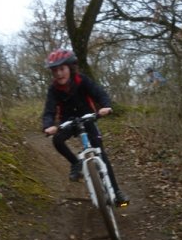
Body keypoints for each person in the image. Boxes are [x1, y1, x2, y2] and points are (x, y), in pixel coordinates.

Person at [42, 48, 130, 206]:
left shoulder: (81, 80)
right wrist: (48, 126)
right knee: (57, 140)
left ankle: (116, 192)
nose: (59, 74)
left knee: (101, 154)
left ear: (70, 67)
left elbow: (99, 93)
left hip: (88, 118)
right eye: (55, 71)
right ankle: (76, 163)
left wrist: (106, 106)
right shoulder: (53, 90)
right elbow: (49, 110)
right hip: (68, 121)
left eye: (62, 69)